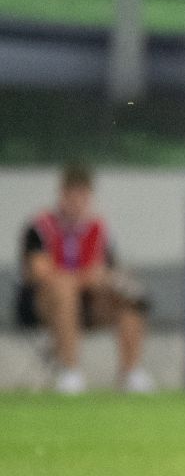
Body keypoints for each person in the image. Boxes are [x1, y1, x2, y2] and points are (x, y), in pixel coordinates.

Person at [17, 163, 153, 395]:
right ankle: (70, 371)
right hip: (45, 302)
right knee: (63, 289)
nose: (77, 203)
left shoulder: (98, 230)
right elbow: (41, 272)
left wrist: (105, 280)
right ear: (62, 195)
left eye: (83, 197)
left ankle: (131, 372)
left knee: (128, 297)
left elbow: (107, 271)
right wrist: (84, 278)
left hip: (89, 302)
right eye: (72, 196)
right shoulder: (40, 228)